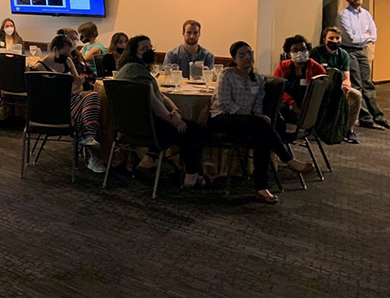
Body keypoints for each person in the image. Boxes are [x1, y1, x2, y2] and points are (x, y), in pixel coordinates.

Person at [209, 41, 315, 204]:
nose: (247, 58)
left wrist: (256, 115)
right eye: (242, 55)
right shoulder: (227, 75)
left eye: (249, 53)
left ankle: (261, 188)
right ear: (235, 59)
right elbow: (225, 104)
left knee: (262, 136)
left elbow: (258, 105)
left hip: (248, 121)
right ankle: (288, 160)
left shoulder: (258, 79)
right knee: (261, 125)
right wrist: (252, 115)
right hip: (222, 118)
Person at [115, 35, 206, 187]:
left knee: (188, 128)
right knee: (194, 130)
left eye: (150, 48)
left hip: (129, 125)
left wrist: (174, 109)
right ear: (133, 51)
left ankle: (149, 159)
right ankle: (191, 175)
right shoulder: (136, 72)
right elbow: (154, 103)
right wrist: (174, 120)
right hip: (146, 127)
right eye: (144, 49)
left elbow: (160, 96)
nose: (149, 51)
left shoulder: (132, 68)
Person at [32, 34, 105, 173]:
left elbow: (78, 86)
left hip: (70, 101)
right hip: (51, 108)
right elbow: (40, 97)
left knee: (92, 96)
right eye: (64, 53)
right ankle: (90, 144)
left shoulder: (68, 62)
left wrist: (72, 85)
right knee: (86, 107)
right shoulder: (39, 68)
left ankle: (89, 138)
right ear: (55, 49)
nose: (67, 57)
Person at [338, 0, 388, 129]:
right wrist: (365, 36)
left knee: (368, 83)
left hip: (362, 51)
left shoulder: (366, 14)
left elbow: (374, 35)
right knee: (357, 84)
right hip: (350, 51)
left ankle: (378, 116)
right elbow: (351, 38)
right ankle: (365, 118)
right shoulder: (344, 15)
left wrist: (364, 36)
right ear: (348, 0)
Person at [311, 26, 364, 143]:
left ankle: (348, 130)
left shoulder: (344, 55)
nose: (334, 41)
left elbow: (346, 77)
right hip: (321, 87)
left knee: (356, 96)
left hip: (337, 86)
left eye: (337, 38)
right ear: (325, 40)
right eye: (331, 38)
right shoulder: (316, 52)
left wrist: (346, 85)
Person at [273, 35, 327, 126]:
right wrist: (291, 102)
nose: (299, 53)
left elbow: (321, 90)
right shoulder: (283, 66)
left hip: (308, 103)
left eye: (303, 49)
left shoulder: (316, 68)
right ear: (289, 53)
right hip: (287, 102)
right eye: (295, 50)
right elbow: (276, 87)